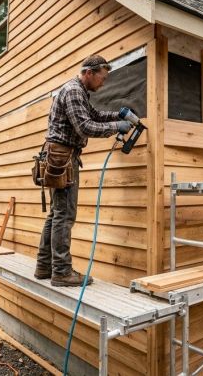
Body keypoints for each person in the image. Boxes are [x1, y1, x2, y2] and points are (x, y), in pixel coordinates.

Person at [35, 54, 133, 287]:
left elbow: (93, 115)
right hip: (62, 157)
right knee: (64, 215)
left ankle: (44, 266)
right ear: (89, 73)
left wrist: (117, 114)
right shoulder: (73, 91)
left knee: (56, 214)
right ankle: (61, 271)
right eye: (102, 77)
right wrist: (115, 127)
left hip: (60, 157)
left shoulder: (78, 92)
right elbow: (85, 126)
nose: (104, 82)